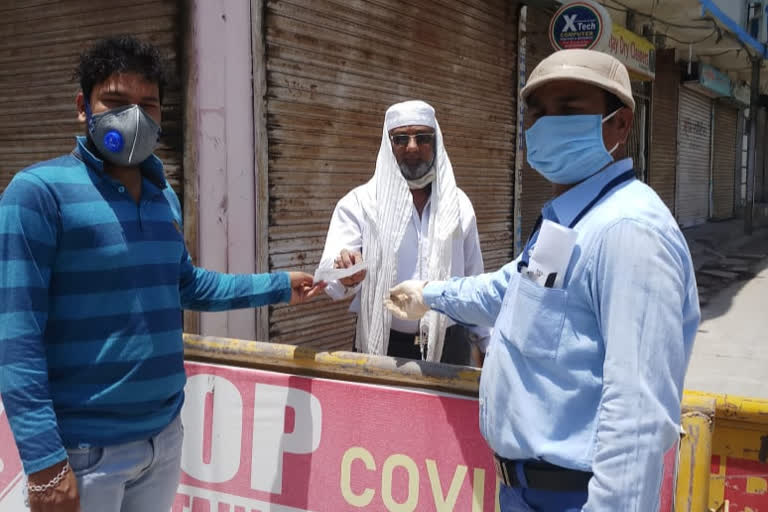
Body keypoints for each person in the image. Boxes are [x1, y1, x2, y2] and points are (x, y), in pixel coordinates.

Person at [0, 36, 325, 512]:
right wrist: (46, 465)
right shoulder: (37, 194)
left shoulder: (162, 197)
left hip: (164, 441)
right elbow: (16, 337)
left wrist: (278, 285)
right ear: (82, 108)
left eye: (147, 105)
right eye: (115, 102)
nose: (134, 117)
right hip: (84, 454)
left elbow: (188, 285)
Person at [386, 50, 700, 511]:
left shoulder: (629, 232)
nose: (547, 124)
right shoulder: (570, 223)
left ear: (620, 125)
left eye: (569, 110)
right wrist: (431, 295)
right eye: (537, 112)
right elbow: (510, 290)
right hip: (525, 491)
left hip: (576, 497)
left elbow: (636, 416)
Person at [318, 100, 490, 365]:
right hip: (383, 345)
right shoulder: (360, 204)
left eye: (422, 137)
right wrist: (346, 275)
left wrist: (487, 345)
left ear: (435, 143)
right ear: (389, 146)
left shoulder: (458, 205)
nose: (412, 147)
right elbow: (330, 280)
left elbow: (474, 279)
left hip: (450, 345)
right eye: (401, 139)